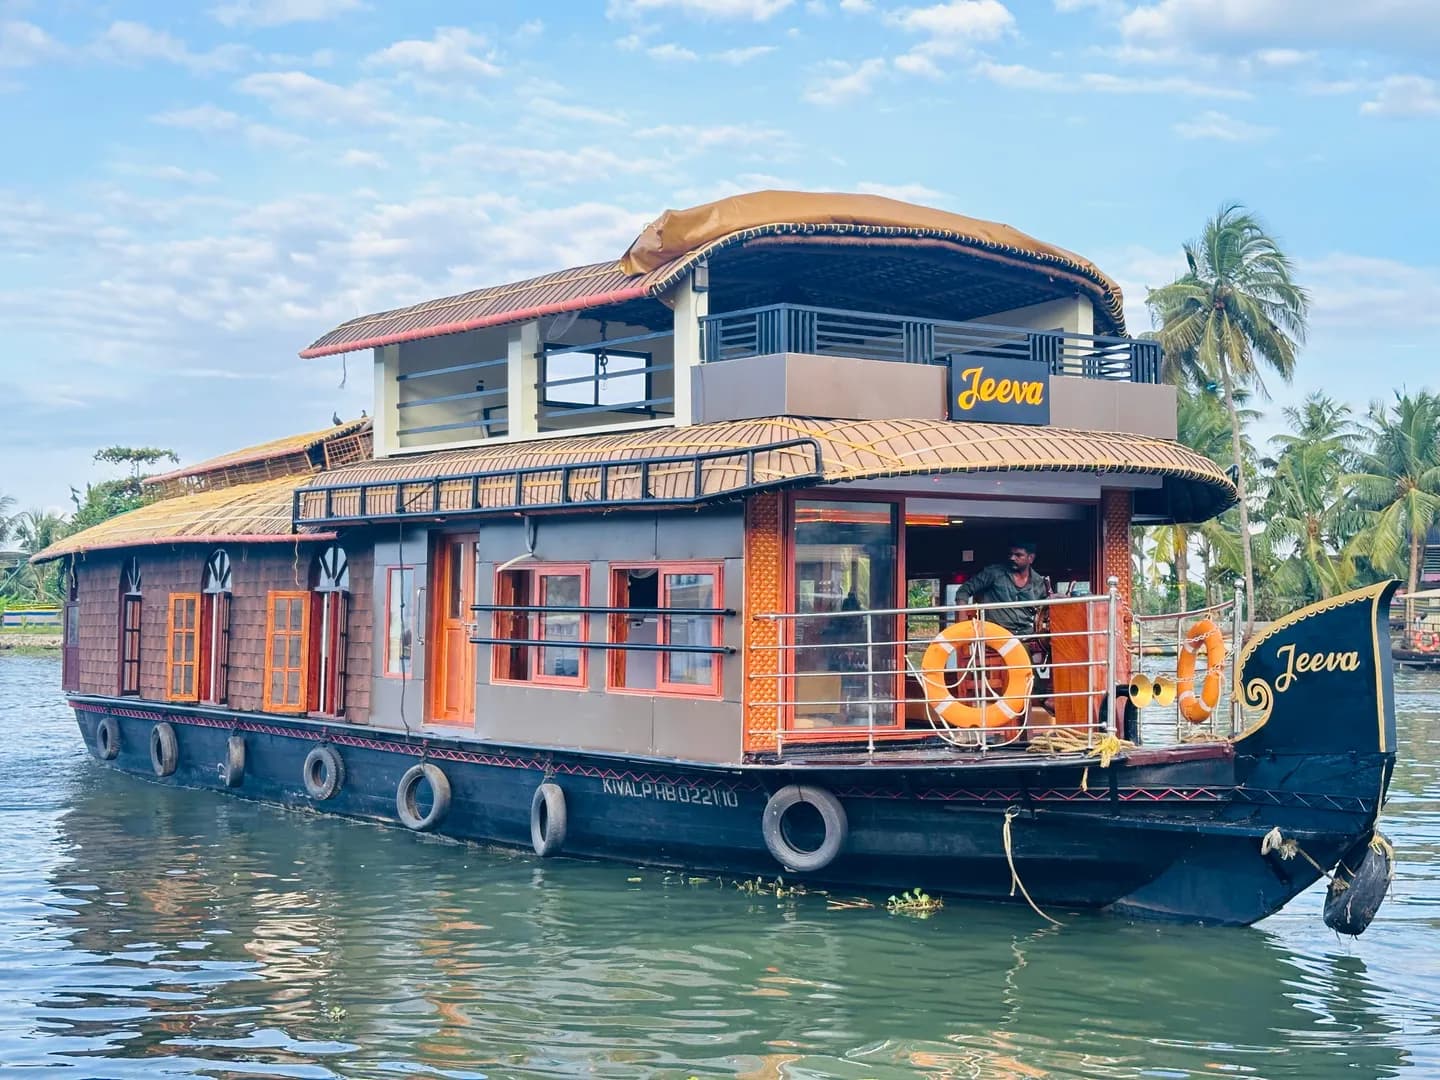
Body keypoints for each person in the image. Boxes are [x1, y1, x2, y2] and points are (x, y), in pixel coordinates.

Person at [953, 541, 1052, 639]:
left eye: (1018, 555)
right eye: (1011, 554)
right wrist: (962, 624)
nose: (1012, 558)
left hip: (1027, 637)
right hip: (997, 636)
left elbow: (1045, 612)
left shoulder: (1039, 582)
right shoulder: (993, 573)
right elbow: (963, 591)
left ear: (1030, 558)